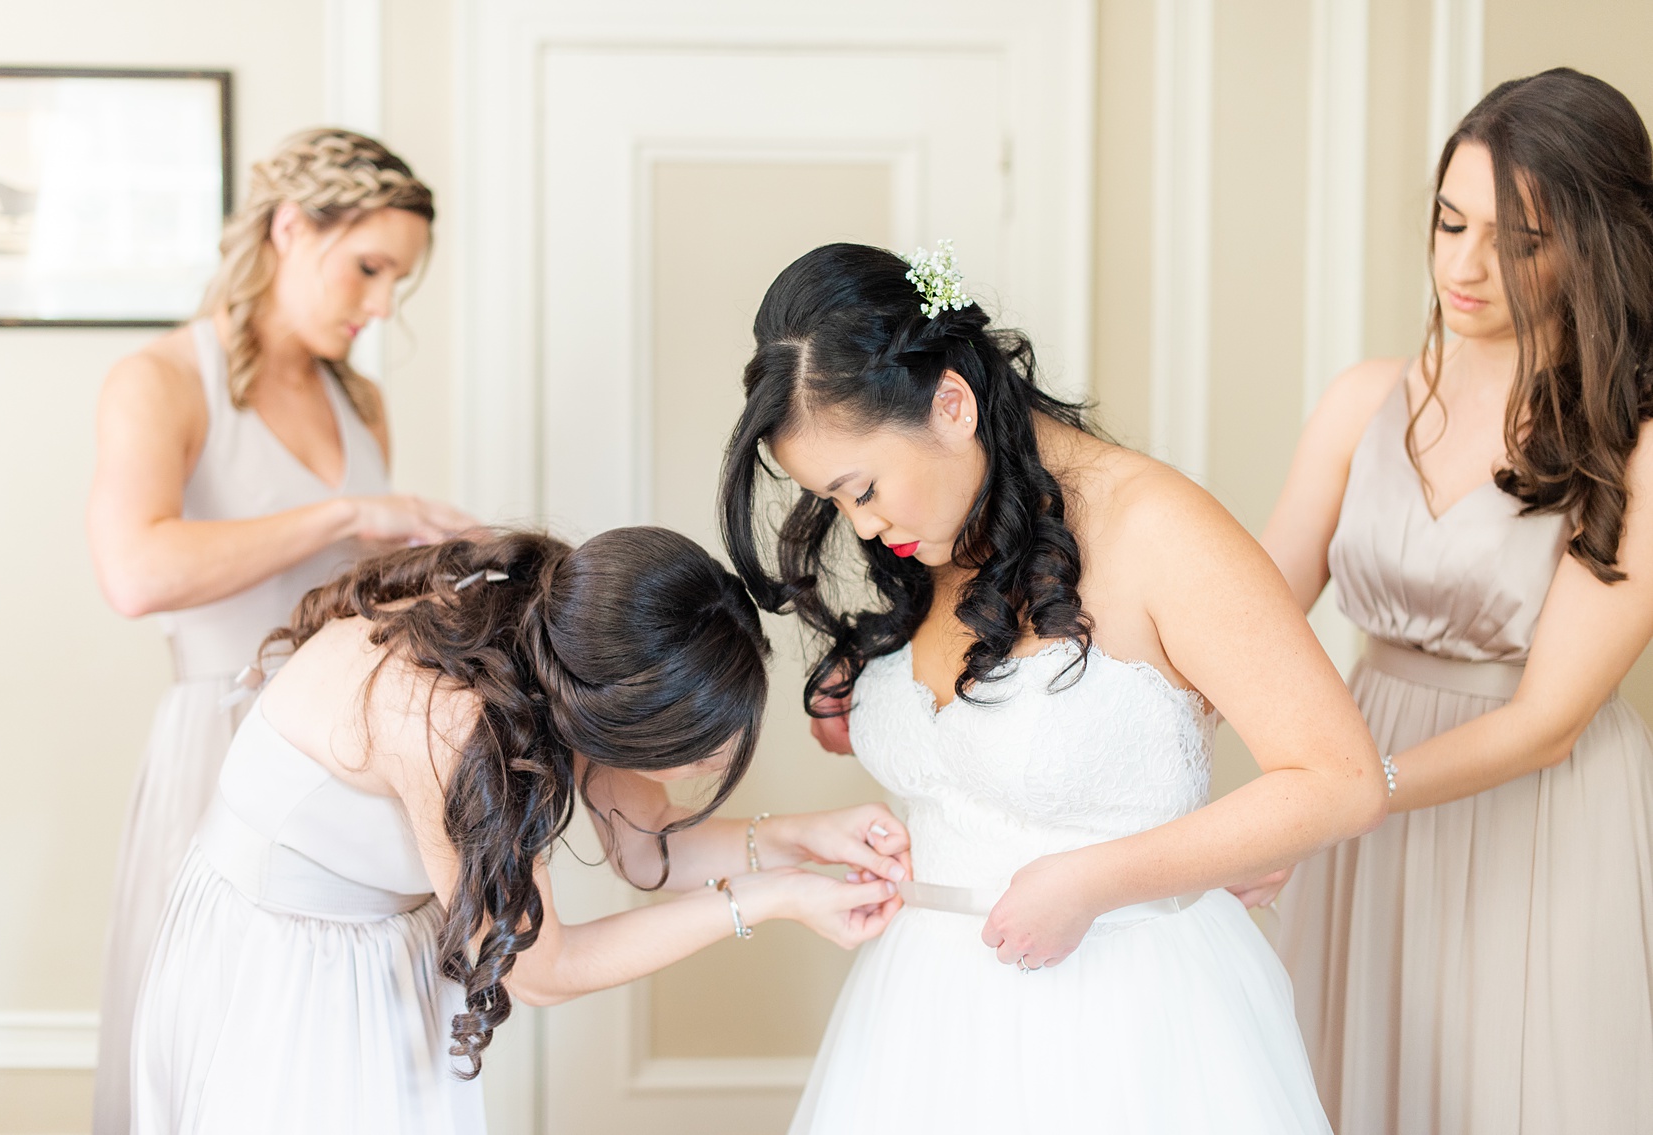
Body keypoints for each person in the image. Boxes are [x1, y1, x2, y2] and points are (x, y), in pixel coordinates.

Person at [718, 241, 1386, 1133]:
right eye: (837, 503)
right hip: (923, 1026)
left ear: (951, 403)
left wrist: (1094, 881)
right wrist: (878, 689)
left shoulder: (1160, 529)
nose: (865, 527)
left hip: (1127, 1024)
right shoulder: (949, 529)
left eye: (864, 489)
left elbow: (1340, 779)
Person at [130, 526, 911, 1133]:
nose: (715, 763)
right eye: (701, 747)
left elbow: (646, 850)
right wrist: (772, 898)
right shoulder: (455, 726)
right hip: (287, 956)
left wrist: (808, 837)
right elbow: (540, 971)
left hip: (384, 936)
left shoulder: (584, 651)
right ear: (630, 725)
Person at [1249, 68, 1653, 1134]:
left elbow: (1545, 720)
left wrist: (1335, 793)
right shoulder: (1360, 399)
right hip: (1359, 794)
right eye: (1447, 221)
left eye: (1518, 241)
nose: (1463, 267)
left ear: (1594, 247)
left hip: (1529, 816)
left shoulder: (1632, 446)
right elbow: (1242, 617)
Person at [85, 127, 475, 1130]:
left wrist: (440, 564)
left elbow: (354, 604)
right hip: (217, 746)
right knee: (213, 1040)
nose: (383, 304)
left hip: (346, 759)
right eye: (369, 268)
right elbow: (135, 572)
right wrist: (347, 515)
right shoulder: (161, 380)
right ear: (291, 228)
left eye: (399, 281)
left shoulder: (362, 402)